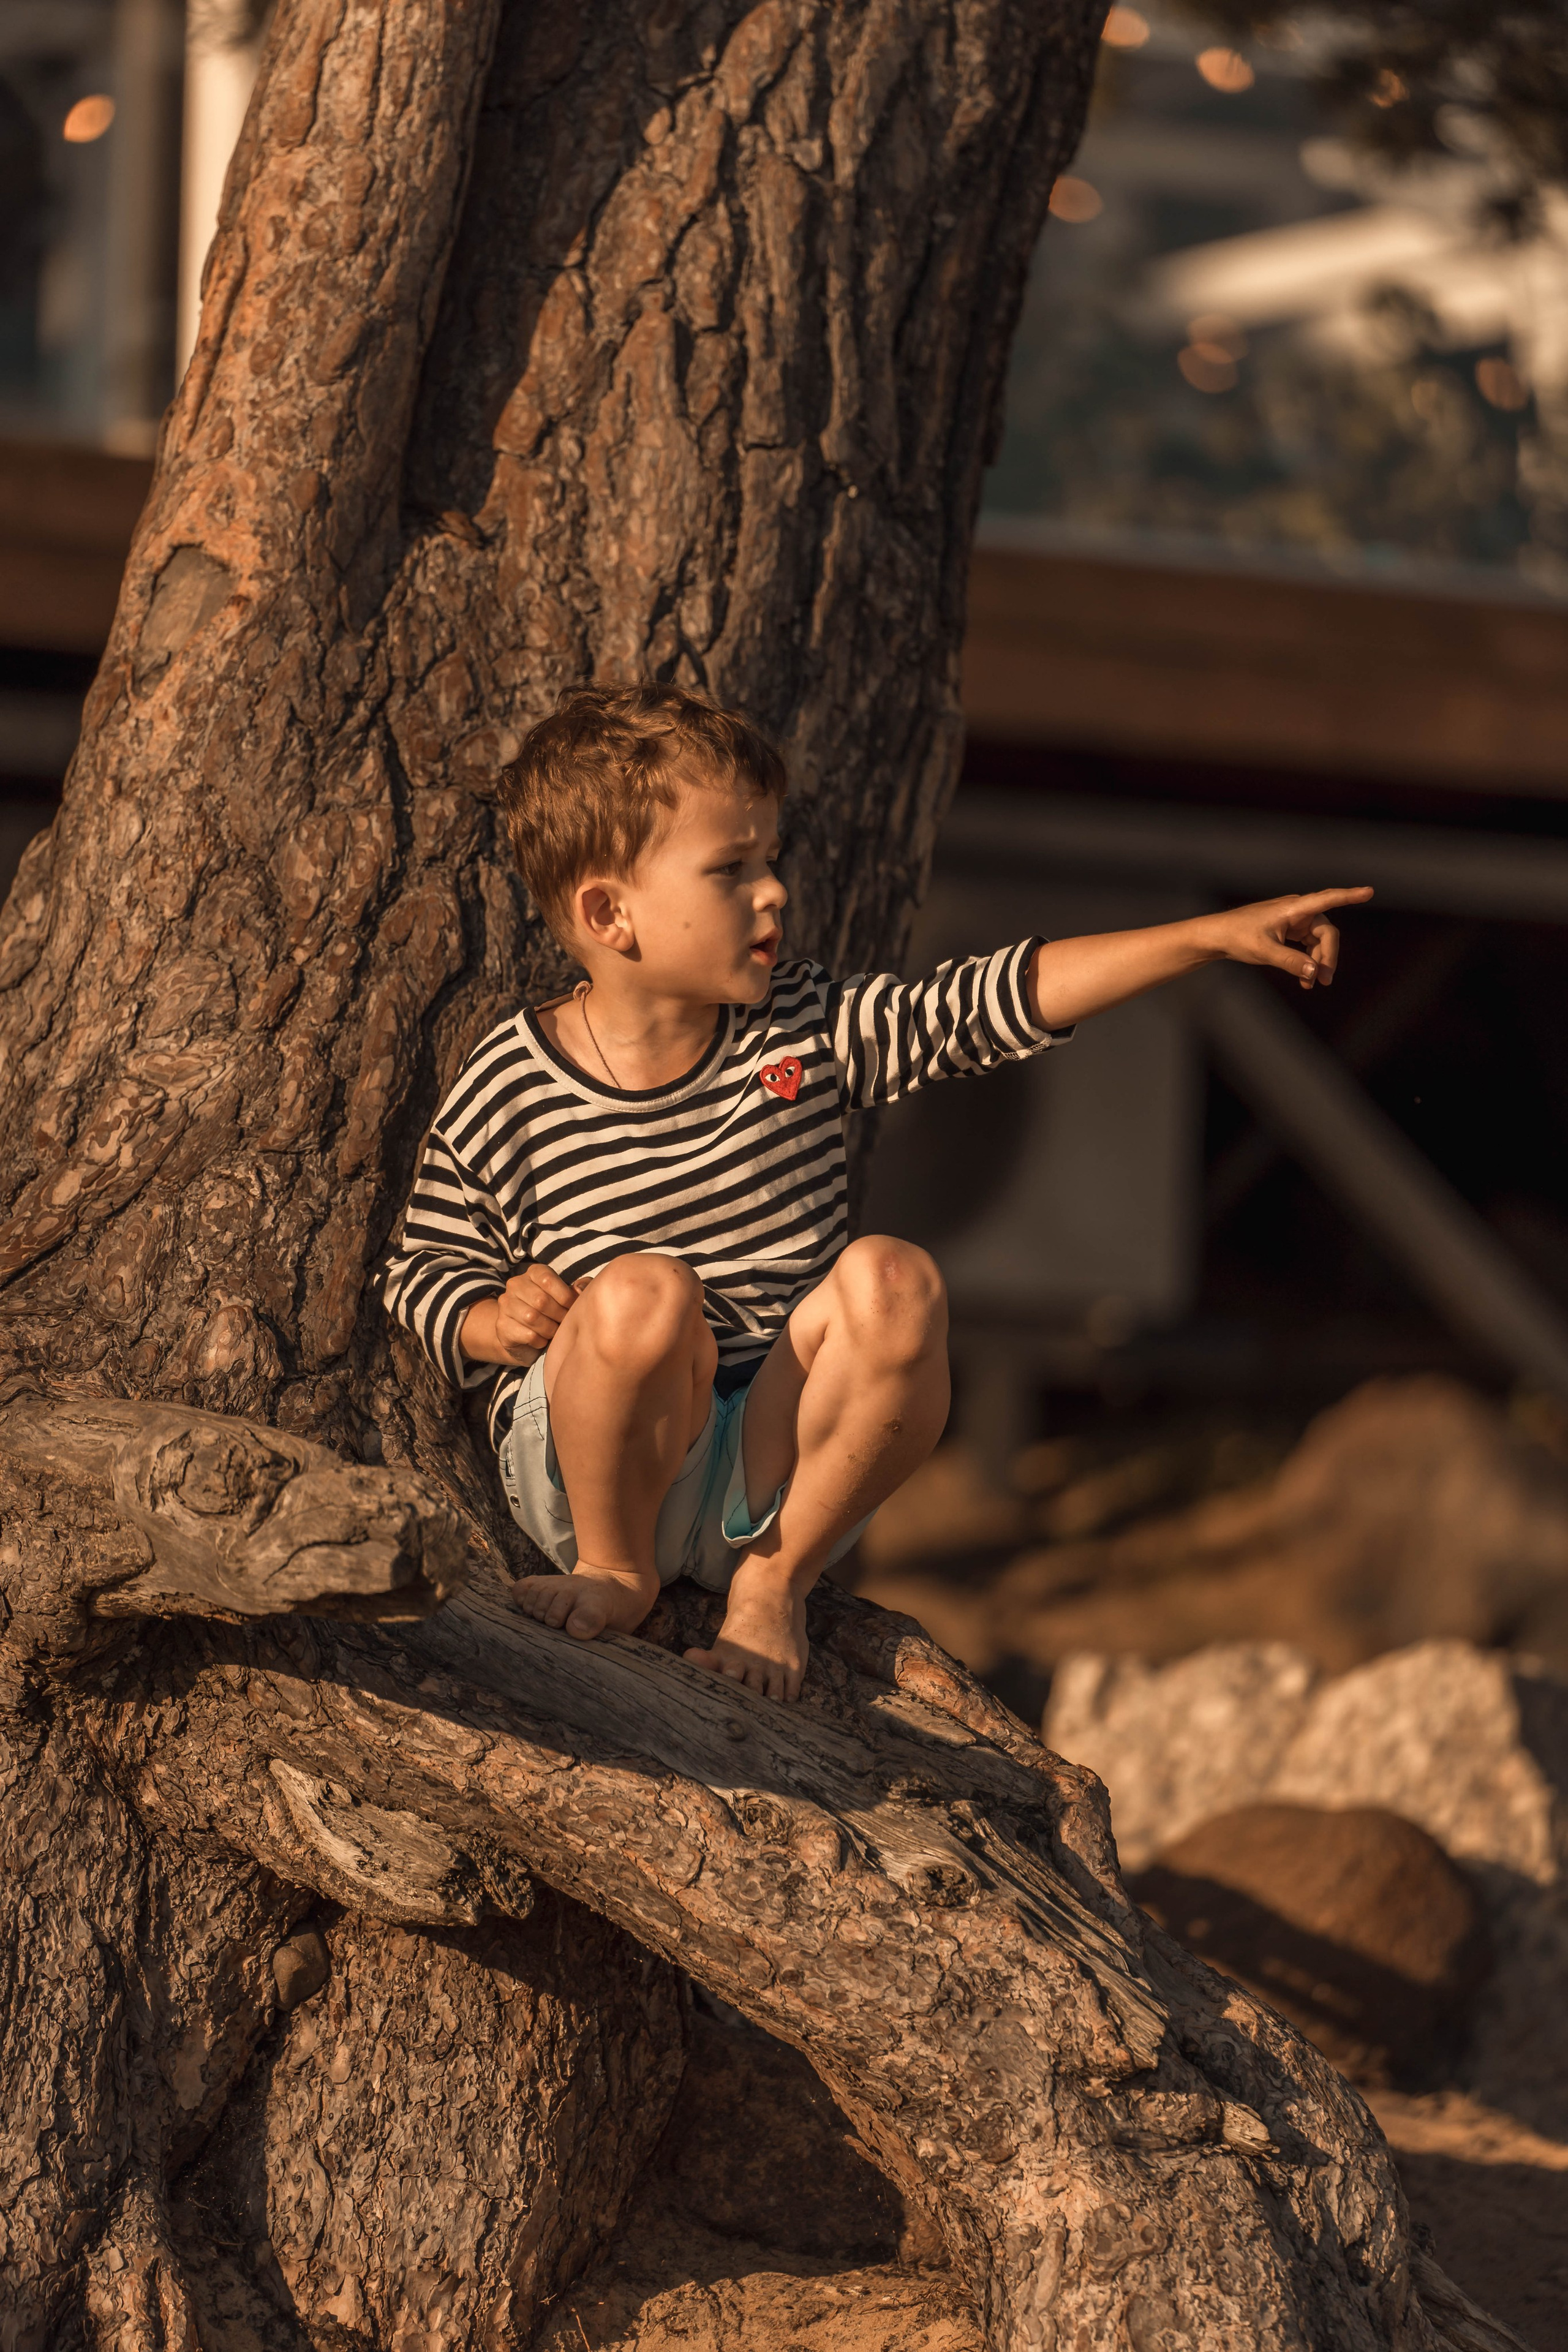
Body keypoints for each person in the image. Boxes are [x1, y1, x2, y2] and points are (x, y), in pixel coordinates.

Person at [383, 684, 1370, 1702]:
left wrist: (1204, 939)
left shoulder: (803, 1027)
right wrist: (492, 1320)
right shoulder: (513, 1079)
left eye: (770, 861)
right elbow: (419, 1269)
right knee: (642, 1293)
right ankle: (617, 1573)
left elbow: (994, 1000)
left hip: (772, 1471)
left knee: (895, 1279)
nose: (773, 893)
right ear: (608, 913)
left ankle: (774, 1586)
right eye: (731, 870)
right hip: (606, 1470)